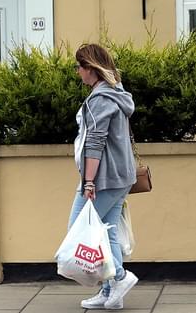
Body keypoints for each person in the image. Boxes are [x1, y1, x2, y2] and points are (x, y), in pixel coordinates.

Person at [68, 43, 138, 310]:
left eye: (79, 67)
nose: (78, 72)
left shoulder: (100, 100)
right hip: (122, 175)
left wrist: (88, 182)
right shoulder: (117, 93)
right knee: (105, 233)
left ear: (91, 69)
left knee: (80, 229)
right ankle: (111, 293)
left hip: (105, 179)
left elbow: (95, 143)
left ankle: (119, 278)